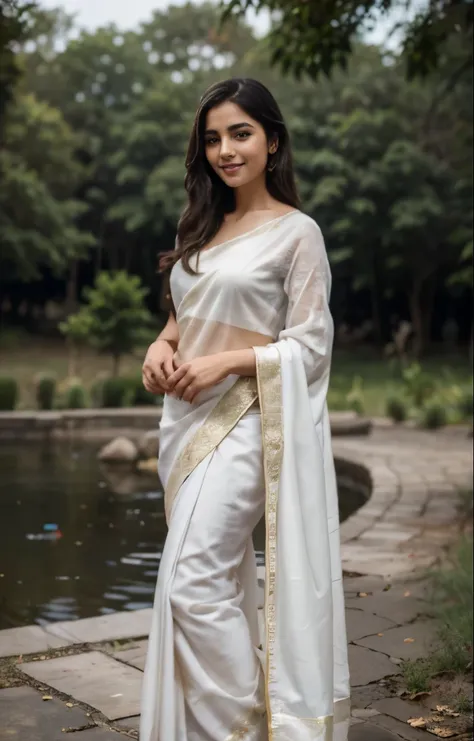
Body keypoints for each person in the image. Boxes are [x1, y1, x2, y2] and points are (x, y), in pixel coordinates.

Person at [140, 77, 350, 741]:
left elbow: (311, 343)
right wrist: (160, 346)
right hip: (186, 426)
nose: (225, 149)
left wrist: (225, 362)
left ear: (272, 140)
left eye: (240, 133)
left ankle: (247, 728)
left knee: (192, 582)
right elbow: (185, 315)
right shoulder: (201, 226)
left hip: (248, 425)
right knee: (211, 582)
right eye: (212, 138)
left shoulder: (298, 233)